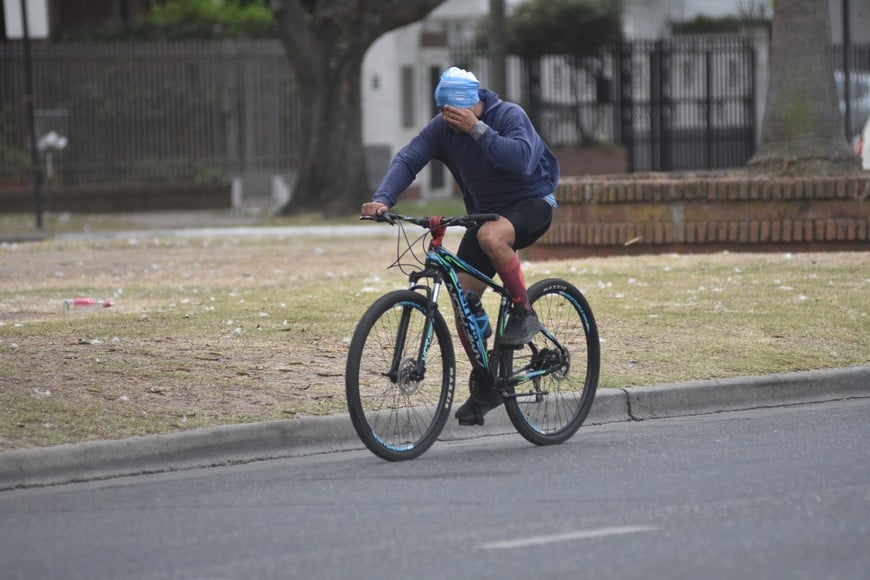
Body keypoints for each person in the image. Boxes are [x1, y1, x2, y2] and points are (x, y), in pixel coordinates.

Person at [361, 66, 560, 425]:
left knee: (490, 236)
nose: (448, 120)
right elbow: (410, 158)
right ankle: (487, 386)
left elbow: (520, 160)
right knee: (463, 307)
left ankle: (523, 311)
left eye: (455, 113)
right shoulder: (443, 129)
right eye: (443, 112)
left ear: (474, 106)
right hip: (485, 214)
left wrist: (477, 130)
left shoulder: (508, 115)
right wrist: (383, 199)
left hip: (531, 204)